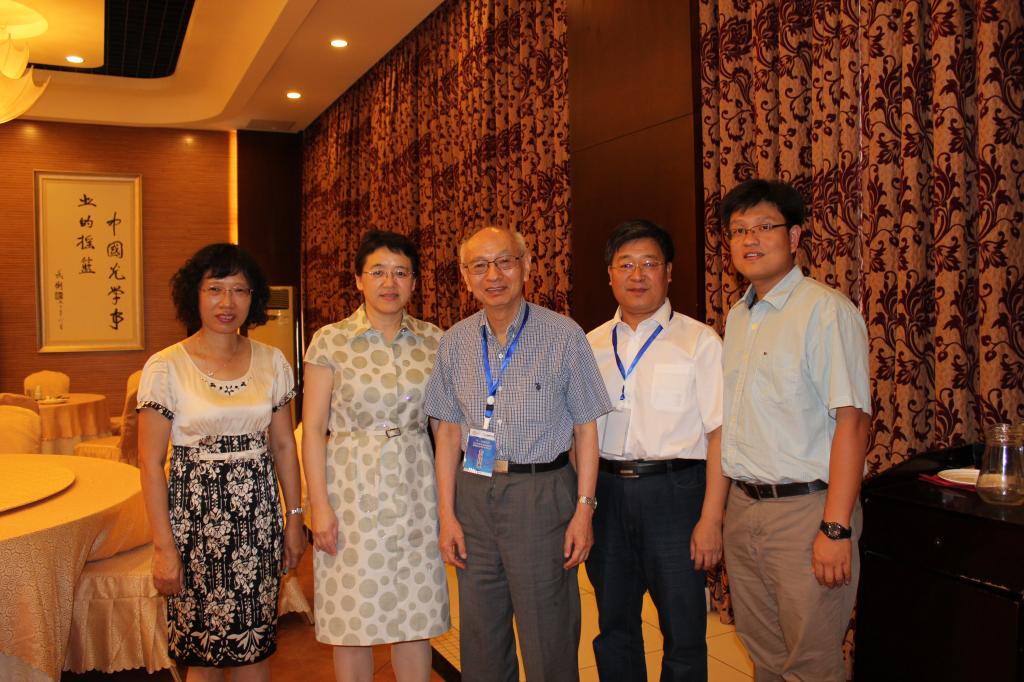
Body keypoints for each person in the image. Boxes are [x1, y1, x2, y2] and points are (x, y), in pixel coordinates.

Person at [424, 226, 612, 682]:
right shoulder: (455, 342)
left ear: (526, 266)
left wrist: (584, 510)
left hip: (540, 493)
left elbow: (586, 429)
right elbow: (447, 433)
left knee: (548, 633)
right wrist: (446, 515)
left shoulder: (563, 335)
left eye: (504, 262)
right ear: (465, 276)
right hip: (474, 493)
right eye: (479, 266)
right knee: (481, 636)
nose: (493, 275)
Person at [718, 179, 871, 682]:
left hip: (807, 513)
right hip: (745, 509)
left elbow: (853, 423)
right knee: (763, 653)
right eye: (738, 229)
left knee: (811, 662)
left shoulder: (825, 311)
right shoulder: (738, 317)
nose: (750, 239)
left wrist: (835, 527)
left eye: (764, 226)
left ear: (795, 236)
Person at [138, 243, 306, 680]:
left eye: (239, 290)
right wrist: (163, 548)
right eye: (215, 289)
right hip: (194, 527)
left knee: (256, 647)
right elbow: (150, 463)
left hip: (258, 524)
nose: (227, 302)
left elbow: (284, 446)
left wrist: (294, 519)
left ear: (254, 298)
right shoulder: (166, 367)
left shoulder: (272, 361)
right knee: (203, 655)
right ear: (194, 295)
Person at [301, 230, 450, 682]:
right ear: (358, 280)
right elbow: (313, 431)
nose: (390, 282)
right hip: (351, 492)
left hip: (415, 487)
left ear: (414, 282)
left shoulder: (434, 340)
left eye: (401, 273)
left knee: (415, 617)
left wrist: (448, 506)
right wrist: (319, 506)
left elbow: (444, 429)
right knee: (353, 620)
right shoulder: (330, 341)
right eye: (378, 271)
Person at [586, 220, 726, 682]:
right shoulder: (589, 345)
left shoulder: (699, 341)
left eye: (649, 263)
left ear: (669, 272)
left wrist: (711, 519)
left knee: (683, 631)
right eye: (625, 264)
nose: (637, 274)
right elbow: (578, 434)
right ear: (610, 274)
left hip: (677, 495)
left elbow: (719, 434)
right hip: (606, 495)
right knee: (614, 627)